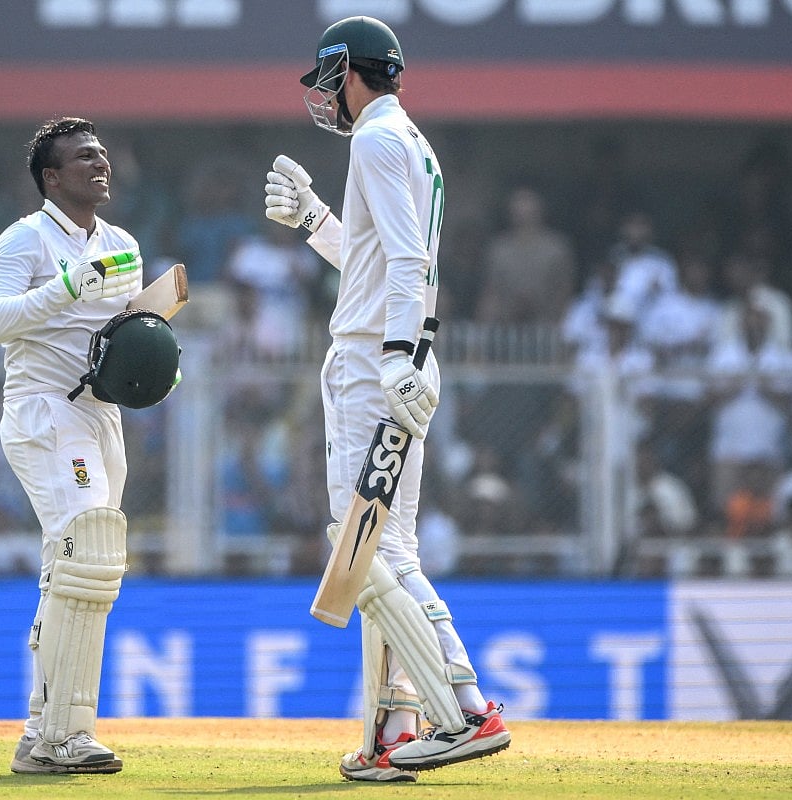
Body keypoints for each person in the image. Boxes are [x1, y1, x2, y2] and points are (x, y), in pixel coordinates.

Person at [262, 16, 510, 781]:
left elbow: (407, 265)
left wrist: (401, 355)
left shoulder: (374, 138)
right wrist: (313, 221)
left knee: (364, 541)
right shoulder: (408, 139)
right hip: (396, 354)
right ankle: (391, 732)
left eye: (326, 78)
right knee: (382, 546)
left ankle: (463, 711)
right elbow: (376, 258)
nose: (323, 97)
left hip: (379, 362)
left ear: (350, 73)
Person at [0, 117, 179, 775]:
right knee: (86, 554)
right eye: (83, 157)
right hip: (43, 413)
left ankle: (40, 732)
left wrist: (154, 348)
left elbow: (119, 334)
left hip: (100, 418)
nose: (100, 163)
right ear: (51, 177)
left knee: (71, 567)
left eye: (102, 153)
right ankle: (68, 735)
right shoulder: (25, 238)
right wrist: (63, 288)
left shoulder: (121, 243)